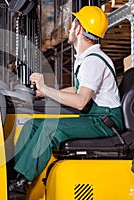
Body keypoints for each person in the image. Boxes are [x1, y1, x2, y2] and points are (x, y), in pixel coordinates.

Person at [8, 6, 124, 196]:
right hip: (95, 117)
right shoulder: (86, 58)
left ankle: (21, 185)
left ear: (79, 29)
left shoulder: (94, 60)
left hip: (105, 121)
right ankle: (16, 174)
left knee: (52, 128)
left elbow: (80, 101)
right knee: (32, 124)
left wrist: (46, 89)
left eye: (73, 25)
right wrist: (45, 93)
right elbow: (79, 89)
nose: (70, 29)